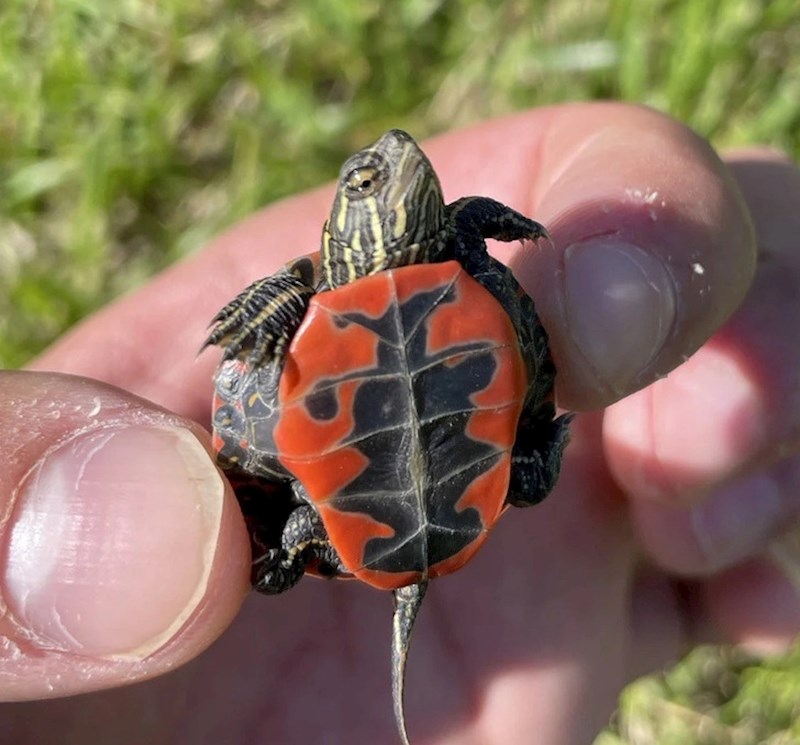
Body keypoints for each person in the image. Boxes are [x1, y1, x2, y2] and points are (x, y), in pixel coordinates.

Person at [1, 103, 797, 744]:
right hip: (438, 482)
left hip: (337, 507)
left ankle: (317, 535)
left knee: (316, 522)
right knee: (521, 472)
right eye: (370, 177)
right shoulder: (325, 285)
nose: (400, 159)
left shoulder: (443, 244)